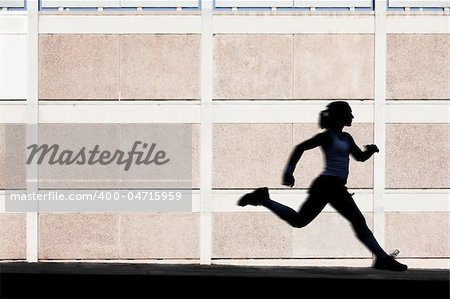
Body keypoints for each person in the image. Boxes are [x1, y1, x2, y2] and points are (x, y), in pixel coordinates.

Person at [237, 101, 408, 272]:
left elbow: (359, 157)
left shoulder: (347, 137)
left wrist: (371, 151)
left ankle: (264, 199)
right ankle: (382, 259)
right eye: (349, 113)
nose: (352, 117)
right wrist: (288, 172)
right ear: (340, 116)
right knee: (357, 221)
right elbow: (300, 148)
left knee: (299, 221)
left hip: (333, 186)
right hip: (329, 185)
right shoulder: (327, 136)